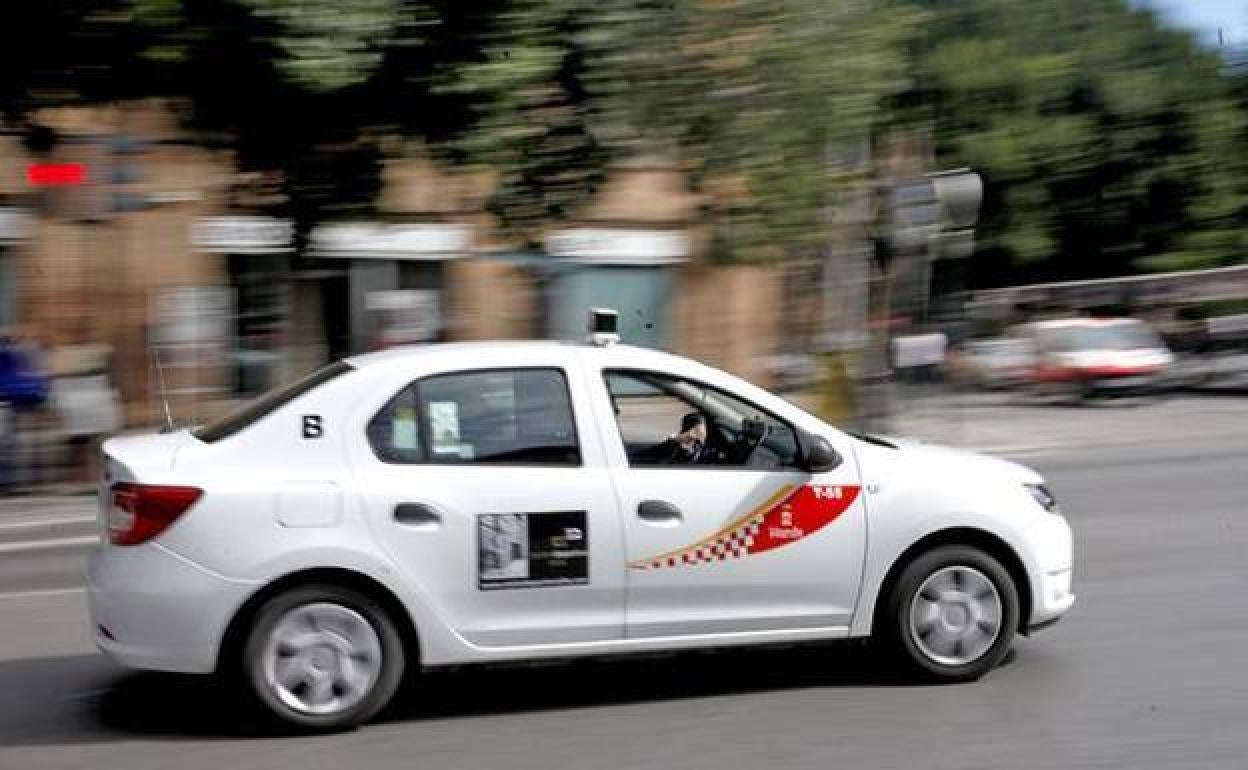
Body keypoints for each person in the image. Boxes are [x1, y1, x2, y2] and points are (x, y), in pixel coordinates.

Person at [636, 412, 723, 465]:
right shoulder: (673, 445)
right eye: (696, 430)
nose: (699, 435)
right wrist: (676, 441)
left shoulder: (709, 450)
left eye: (701, 431)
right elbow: (642, 457)